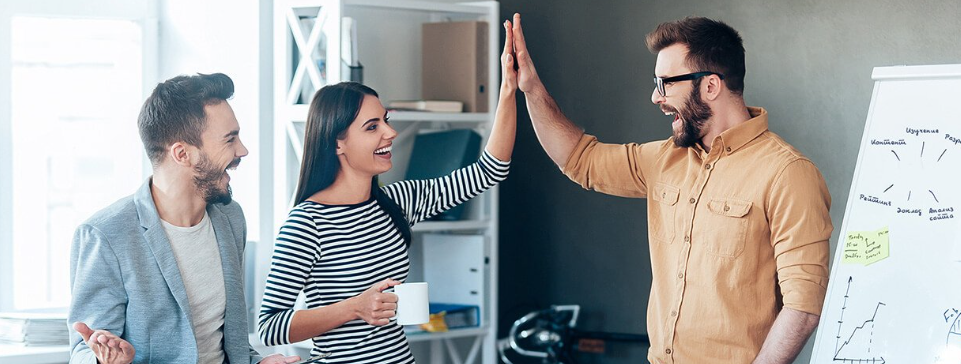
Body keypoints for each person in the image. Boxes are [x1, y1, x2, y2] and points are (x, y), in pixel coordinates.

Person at [507, 14, 833, 364]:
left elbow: (803, 306)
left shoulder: (788, 173)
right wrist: (531, 88)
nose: (655, 97)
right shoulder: (666, 159)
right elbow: (580, 159)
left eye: (666, 84)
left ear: (710, 86)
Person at [256, 20, 519, 364]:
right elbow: (270, 327)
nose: (390, 133)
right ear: (338, 142)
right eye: (372, 127)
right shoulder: (308, 223)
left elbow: (490, 169)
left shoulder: (398, 201)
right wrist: (354, 308)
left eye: (386, 120)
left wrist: (510, 89)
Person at [68, 73, 299, 364]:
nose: (243, 150)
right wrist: (105, 360)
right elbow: (82, 351)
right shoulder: (105, 234)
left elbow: (225, 344)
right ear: (182, 153)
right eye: (230, 139)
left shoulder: (230, 217)